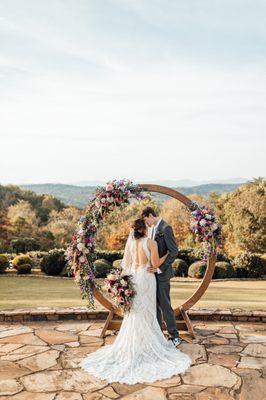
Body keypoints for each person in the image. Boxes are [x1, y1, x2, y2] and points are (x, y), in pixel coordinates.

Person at [79, 218, 191, 385]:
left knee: (136, 311)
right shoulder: (151, 243)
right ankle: (150, 342)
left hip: (135, 278)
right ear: (145, 228)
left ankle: (134, 343)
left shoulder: (131, 243)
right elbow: (155, 264)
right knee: (148, 310)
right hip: (147, 278)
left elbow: (127, 264)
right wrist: (167, 254)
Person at [141, 206, 181, 346]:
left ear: (151, 215)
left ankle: (174, 335)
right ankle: (158, 334)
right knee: (155, 305)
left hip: (162, 274)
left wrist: (160, 269)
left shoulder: (166, 228)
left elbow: (174, 251)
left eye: (146, 220)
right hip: (152, 275)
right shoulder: (152, 229)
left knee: (165, 305)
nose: (146, 223)